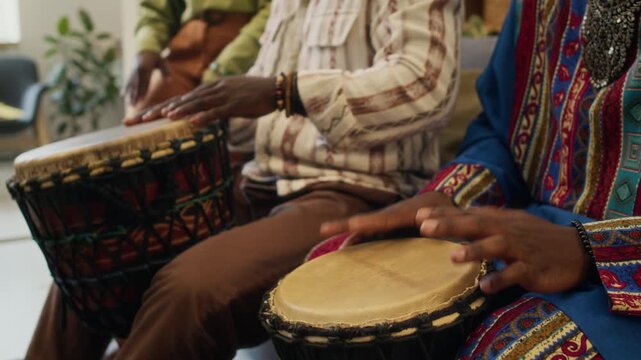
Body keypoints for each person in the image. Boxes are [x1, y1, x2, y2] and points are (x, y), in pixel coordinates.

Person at [26, 1, 463, 359]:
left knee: (191, 289)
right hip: (261, 179)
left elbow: (426, 87)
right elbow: (261, 109)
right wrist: (187, 116)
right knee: (93, 255)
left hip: (356, 191)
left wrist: (284, 91)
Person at [318, 0, 641, 358]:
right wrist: (447, 198)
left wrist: (589, 251)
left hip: (622, 285)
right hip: (521, 238)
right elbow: (504, 131)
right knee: (343, 293)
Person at [126, 0, 271, 114]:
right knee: (140, 124)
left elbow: (273, 9)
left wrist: (227, 67)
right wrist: (147, 46)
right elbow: (155, 9)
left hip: (242, 41)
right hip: (185, 45)